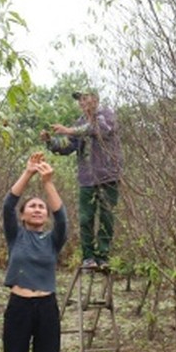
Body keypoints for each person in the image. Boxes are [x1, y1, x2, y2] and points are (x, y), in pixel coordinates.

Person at [0, 151, 66, 352]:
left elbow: (62, 216)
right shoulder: (16, 236)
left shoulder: (53, 239)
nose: (38, 209)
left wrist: (48, 183)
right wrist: (28, 174)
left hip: (47, 310)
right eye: (33, 206)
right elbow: (7, 204)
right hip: (19, 308)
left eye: (42, 207)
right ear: (24, 215)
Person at [42, 89, 123, 270]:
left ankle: (103, 256)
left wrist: (68, 130)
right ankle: (88, 257)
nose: (81, 102)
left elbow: (98, 130)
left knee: (106, 217)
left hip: (108, 175)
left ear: (95, 99)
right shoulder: (78, 123)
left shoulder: (106, 115)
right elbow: (67, 146)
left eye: (84, 98)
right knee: (86, 218)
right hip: (87, 178)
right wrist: (50, 141)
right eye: (79, 99)